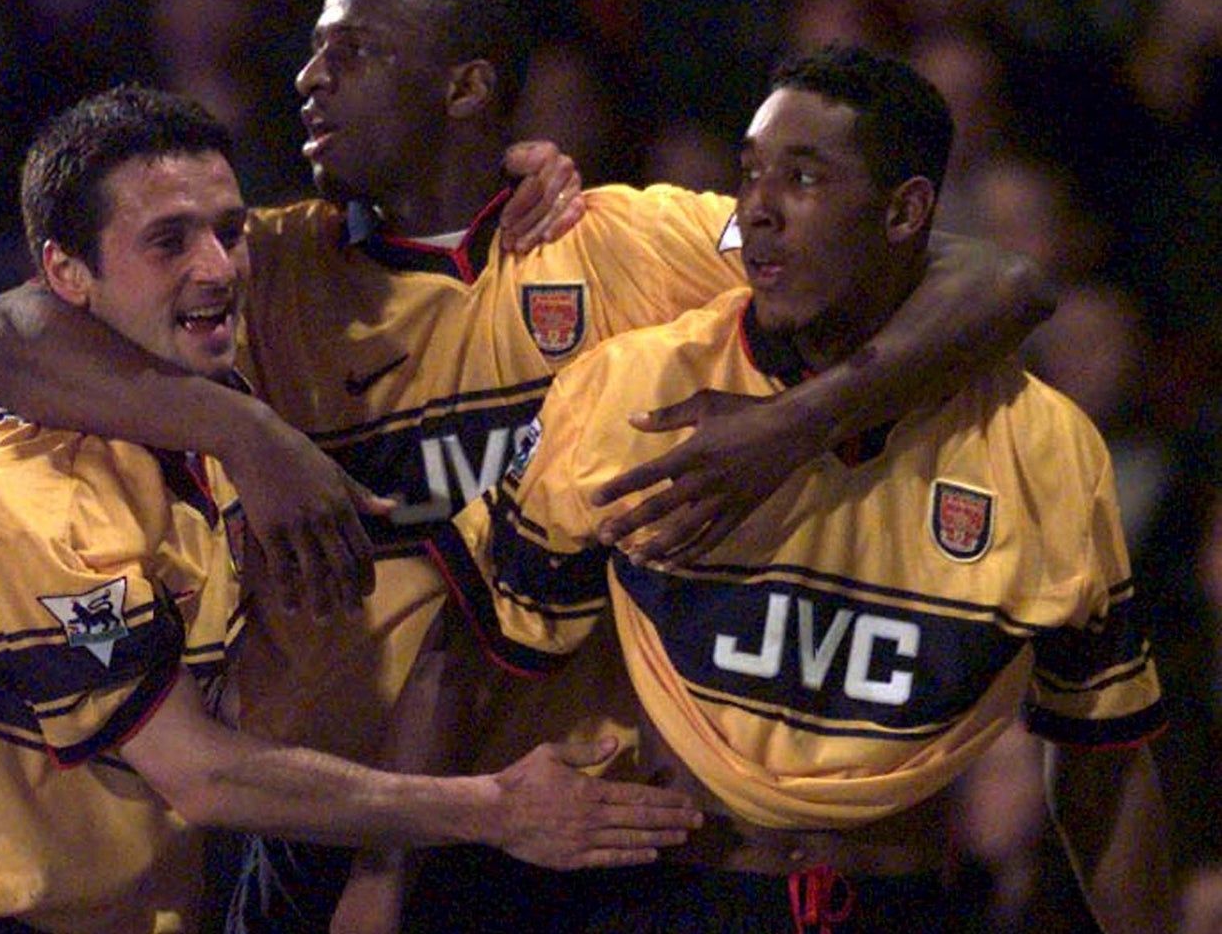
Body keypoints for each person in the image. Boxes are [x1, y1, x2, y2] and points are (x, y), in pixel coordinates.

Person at [0, 0, 1055, 931]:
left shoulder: (630, 239)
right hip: (331, 819)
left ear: (467, 88)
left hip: (593, 820)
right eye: (316, 52)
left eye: (352, 52)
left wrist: (792, 423)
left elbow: (993, 276)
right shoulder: (260, 267)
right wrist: (241, 426)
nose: (309, 77)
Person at [0, 85, 703, 934]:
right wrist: (495, 809)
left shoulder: (201, 414)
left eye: (229, 230)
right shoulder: (20, 499)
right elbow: (200, 775)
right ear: (66, 273)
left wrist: (489, 179)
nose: (217, 267)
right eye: (168, 241)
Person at [436, 45, 1173, 933]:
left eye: (804, 177)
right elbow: (469, 662)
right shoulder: (635, 385)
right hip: (675, 896)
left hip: (905, 907)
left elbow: (1101, 756)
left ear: (906, 212)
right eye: (750, 172)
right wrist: (422, 856)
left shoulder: (1044, 445)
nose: (756, 206)